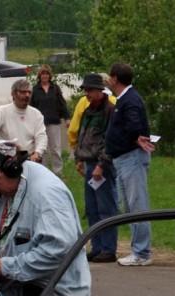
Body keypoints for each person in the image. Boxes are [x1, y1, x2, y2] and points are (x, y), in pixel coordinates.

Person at [0, 140, 90, 296]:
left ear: (11, 168)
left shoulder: (47, 194)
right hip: (21, 289)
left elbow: (59, 249)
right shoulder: (7, 189)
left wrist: (7, 266)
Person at [0, 79, 47, 230]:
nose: (26, 95)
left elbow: (41, 136)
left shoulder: (36, 115)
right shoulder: (2, 111)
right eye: (23, 92)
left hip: (28, 160)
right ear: (13, 94)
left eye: (29, 92)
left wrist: (38, 152)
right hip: (5, 159)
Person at [105, 62, 154, 266]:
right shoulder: (123, 99)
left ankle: (142, 252)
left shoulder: (129, 100)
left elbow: (134, 124)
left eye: (110, 76)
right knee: (129, 205)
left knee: (137, 204)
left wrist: (135, 137)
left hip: (131, 158)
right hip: (123, 159)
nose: (108, 79)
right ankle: (138, 249)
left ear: (115, 78)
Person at [73, 73, 118, 263]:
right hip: (89, 164)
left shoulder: (110, 110)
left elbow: (111, 141)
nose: (87, 93)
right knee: (92, 209)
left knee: (105, 208)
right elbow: (82, 136)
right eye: (85, 90)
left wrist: (101, 165)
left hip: (102, 167)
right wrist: (79, 158)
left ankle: (108, 249)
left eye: (90, 90)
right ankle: (97, 246)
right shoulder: (88, 110)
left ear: (100, 90)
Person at [30, 65, 69, 176]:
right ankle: (44, 172)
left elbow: (62, 104)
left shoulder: (55, 88)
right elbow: (31, 107)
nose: (45, 76)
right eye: (43, 74)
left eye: (47, 74)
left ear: (49, 75)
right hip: (40, 124)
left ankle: (58, 172)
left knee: (56, 148)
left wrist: (67, 118)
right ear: (39, 76)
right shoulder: (35, 90)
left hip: (54, 122)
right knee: (43, 149)